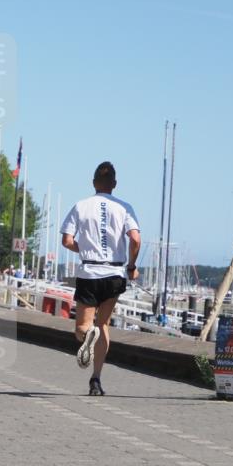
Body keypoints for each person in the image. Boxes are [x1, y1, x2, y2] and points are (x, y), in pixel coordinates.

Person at [60, 161, 141, 396]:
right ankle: (96, 379)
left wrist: (85, 248)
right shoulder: (125, 207)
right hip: (115, 274)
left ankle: (87, 335)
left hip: (90, 272)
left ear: (94, 182)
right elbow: (135, 239)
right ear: (114, 184)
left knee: (82, 328)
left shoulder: (80, 206)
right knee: (103, 324)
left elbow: (66, 240)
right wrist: (132, 265)